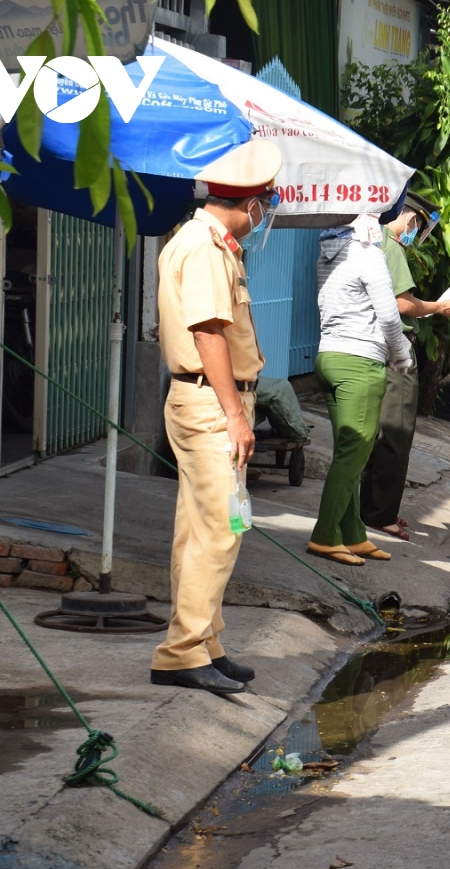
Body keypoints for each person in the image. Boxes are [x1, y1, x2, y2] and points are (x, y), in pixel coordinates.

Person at [150, 139, 283, 695]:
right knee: (222, 529)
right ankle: (182, 653)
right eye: (267, 201)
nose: (267, 211)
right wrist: (235, 414)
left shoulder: (211, 243)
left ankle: (204, 641)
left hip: (209, 404)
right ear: (249, 201)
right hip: (211, 407)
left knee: (202, 529)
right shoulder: (204, 247)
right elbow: (208, 333)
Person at [359, 193, 450, 542]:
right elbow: (403, 303)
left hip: (374, 349)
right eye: (417, 224)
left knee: (378, 435)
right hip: (395, 352)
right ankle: (381, 515)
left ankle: (374, 510)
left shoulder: (373, 243)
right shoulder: (391, 246)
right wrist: (439, 306)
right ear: (407, 217)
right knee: (396, 433)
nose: (416, 232)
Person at [307, 214, 412, 566]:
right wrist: (401, 355)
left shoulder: (328, 252)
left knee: (349, 453)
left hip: (329, 357)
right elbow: (388, 316)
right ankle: (324, 536)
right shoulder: (368, 256)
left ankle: (353, 534)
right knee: (353, 456)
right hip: (359, 363)